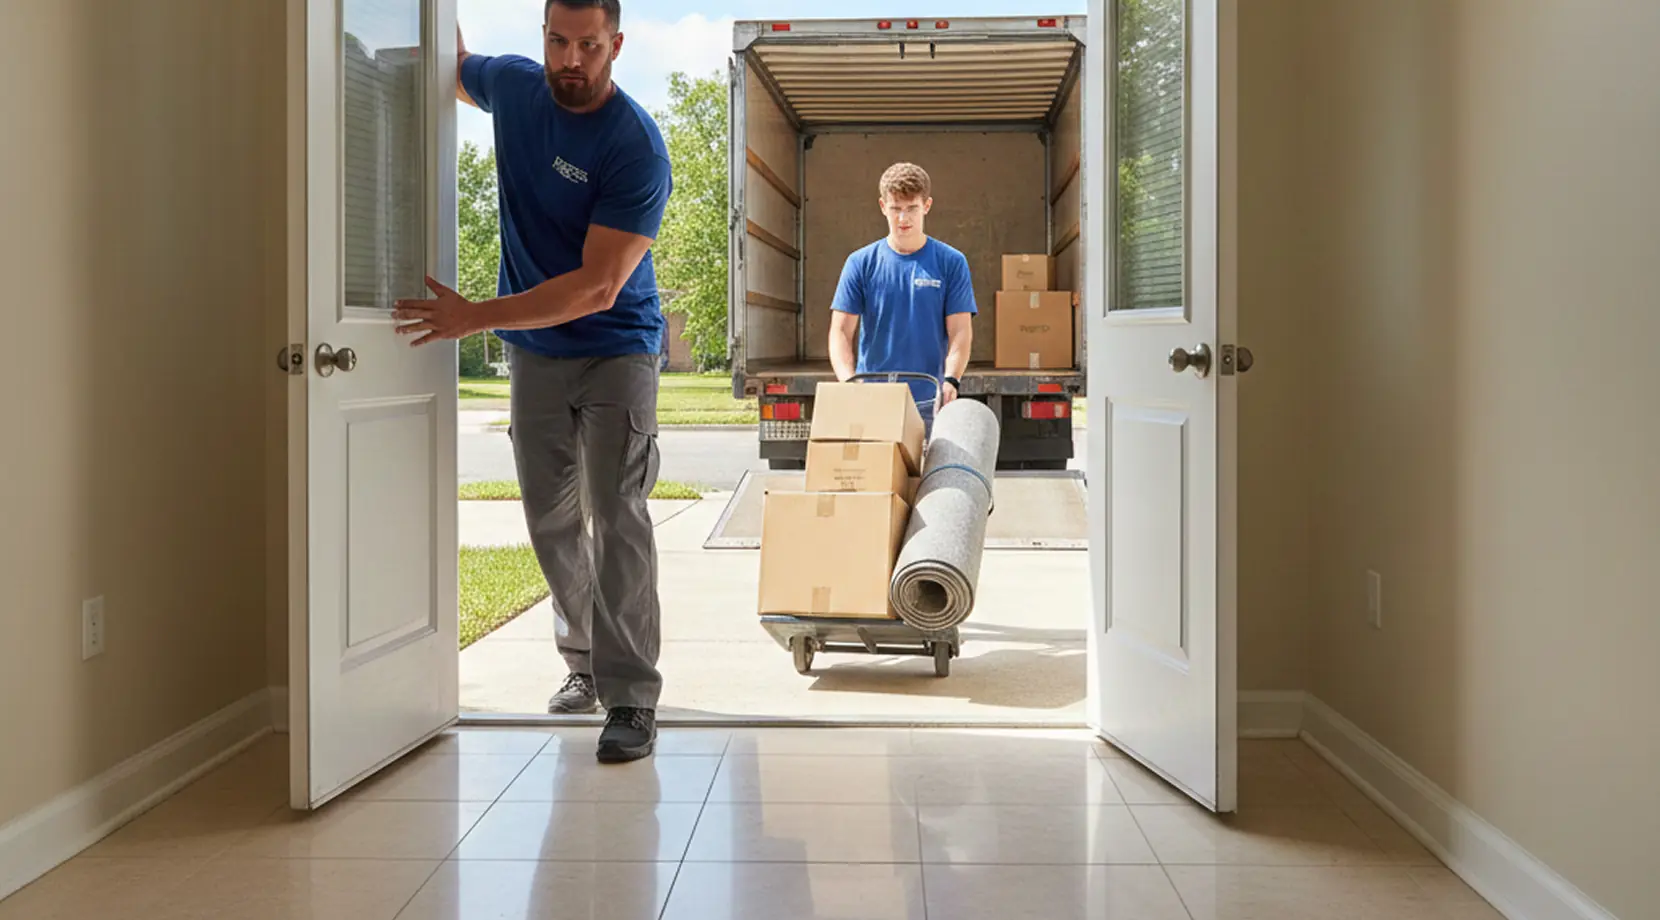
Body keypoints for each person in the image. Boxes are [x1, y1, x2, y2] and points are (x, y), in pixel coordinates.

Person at [392, 0, 671, 764]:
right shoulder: (514, 88)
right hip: (534, 354)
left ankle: (632, 698)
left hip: (615, 348)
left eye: (588, 44)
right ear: (541, 39)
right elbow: (448, 70)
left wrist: (472, 316)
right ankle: (582, 663)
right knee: (550, 519)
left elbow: (596, 288)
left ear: (615, 44)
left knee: (616, 515)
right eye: (558, 41)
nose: (570, 60)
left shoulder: (635, 146)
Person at [828, 163, 975, 436]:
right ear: (883, 206)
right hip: (872, 400)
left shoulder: (950, 262)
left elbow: (960, 330)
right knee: (876, 478)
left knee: (926, 478)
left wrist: (951, 379)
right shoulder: (860, 263)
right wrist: (850, 384)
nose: (903, 218)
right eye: (896, 208)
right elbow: (840, 331)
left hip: (929, 399)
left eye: (912, 208)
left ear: (927, 206)